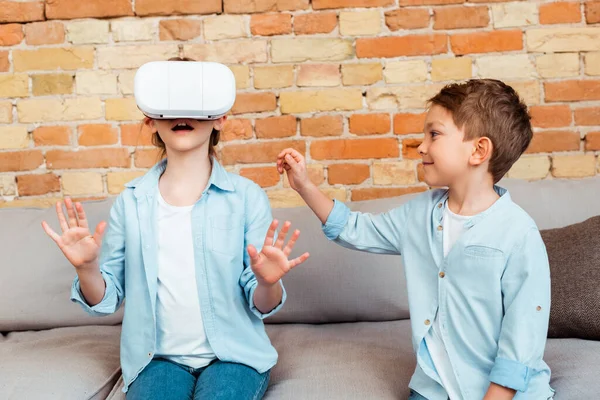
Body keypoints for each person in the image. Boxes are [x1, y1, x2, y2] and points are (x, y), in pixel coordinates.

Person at [42, 57, 309, 400]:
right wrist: (87, 268)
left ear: (221, 119)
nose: (182, 115)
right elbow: (106, 300)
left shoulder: (246, 198)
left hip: (234, 358)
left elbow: (261, 303)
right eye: (169, 106)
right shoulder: (131, 202)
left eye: (196, 105)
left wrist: (267, 281)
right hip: (157, 361)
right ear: (151, 120)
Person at [277, 79, 554, 400]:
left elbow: (523, 332)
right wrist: (305, 186)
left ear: (479, 150)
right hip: (435, 389)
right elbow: (354, 229)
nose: (421, 146)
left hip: (507, 394)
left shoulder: (518, 232)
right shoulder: (418, 215)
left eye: (434, 134)